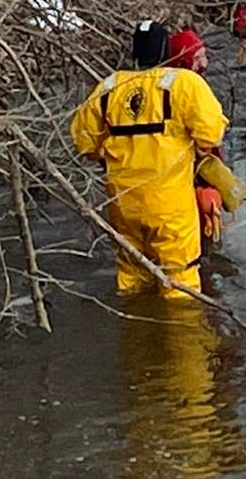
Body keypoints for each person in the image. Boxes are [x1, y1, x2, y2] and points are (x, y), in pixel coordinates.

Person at [69, 20, 229, 298]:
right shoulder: (183, 84)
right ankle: (181, 338)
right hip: (170, 207)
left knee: (131, 279)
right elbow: (211, 134)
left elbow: (83, 142)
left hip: (123, 205)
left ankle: (137, 336)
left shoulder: (108, 88)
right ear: (166, 52)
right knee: (180, 284)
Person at [167, 27, 228, 251]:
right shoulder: (186, 89)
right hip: (180, 188)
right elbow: (211, 136)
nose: (205, 64)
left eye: (204, 56)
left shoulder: (184, 87)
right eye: (198, 58)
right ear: (182, 62)